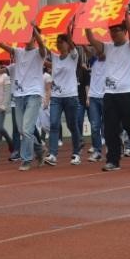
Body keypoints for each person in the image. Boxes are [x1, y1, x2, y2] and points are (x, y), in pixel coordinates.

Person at [86, 16, 130, 171]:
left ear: (124, 31)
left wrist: (126, 16)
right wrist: (86, 22)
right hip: (109, 94)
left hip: (127, 93)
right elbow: (91, 39)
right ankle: (113, 161)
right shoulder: (107, 47)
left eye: (117, 30)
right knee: (110, 129)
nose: (114, 33)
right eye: (111, 31)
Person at [0, 24, 47, 171]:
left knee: (26, 129)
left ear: (34, 37)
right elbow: (1, 45)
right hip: (19, 95)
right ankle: (39, 150)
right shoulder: (18, 52)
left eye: (29, 34)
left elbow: (42, 44)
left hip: (34, 94)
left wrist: (34, 29)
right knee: (22, 130)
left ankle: (26, 159)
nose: (26, 37)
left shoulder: (39, 52)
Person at [45, 34, 83, 166]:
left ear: (68, 44)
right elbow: (43, 47)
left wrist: (68, 33)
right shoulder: (55, 58)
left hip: (70, 96)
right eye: (58, 42)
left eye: (62, 42)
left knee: (72, 125)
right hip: (56, 97)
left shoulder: (73, 57)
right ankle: (53, 154)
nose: (59, 44)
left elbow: (72, 46)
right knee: (54, 124)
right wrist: (34, 31)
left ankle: (76, 153)